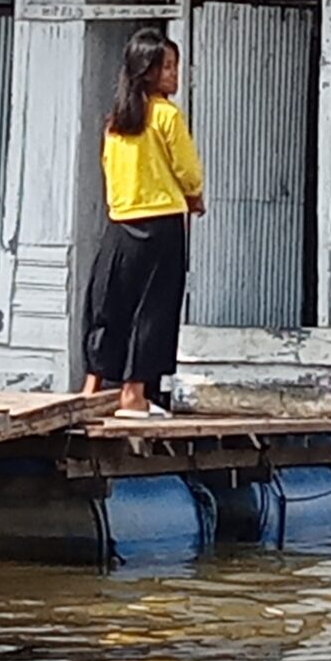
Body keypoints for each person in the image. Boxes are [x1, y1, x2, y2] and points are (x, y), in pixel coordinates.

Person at [81, 27, 205, 419]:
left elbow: (109, 167)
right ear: (147, 71)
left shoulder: (116, 121)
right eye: (167, 67)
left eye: (174, 66)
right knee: (152, 309)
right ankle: (133, 395)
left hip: (120, 223)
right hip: (161, 223)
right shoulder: (167, 115)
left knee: (107, 304)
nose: (174, 74)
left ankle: (91, 388)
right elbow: (187, 168)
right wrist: (194, 195)